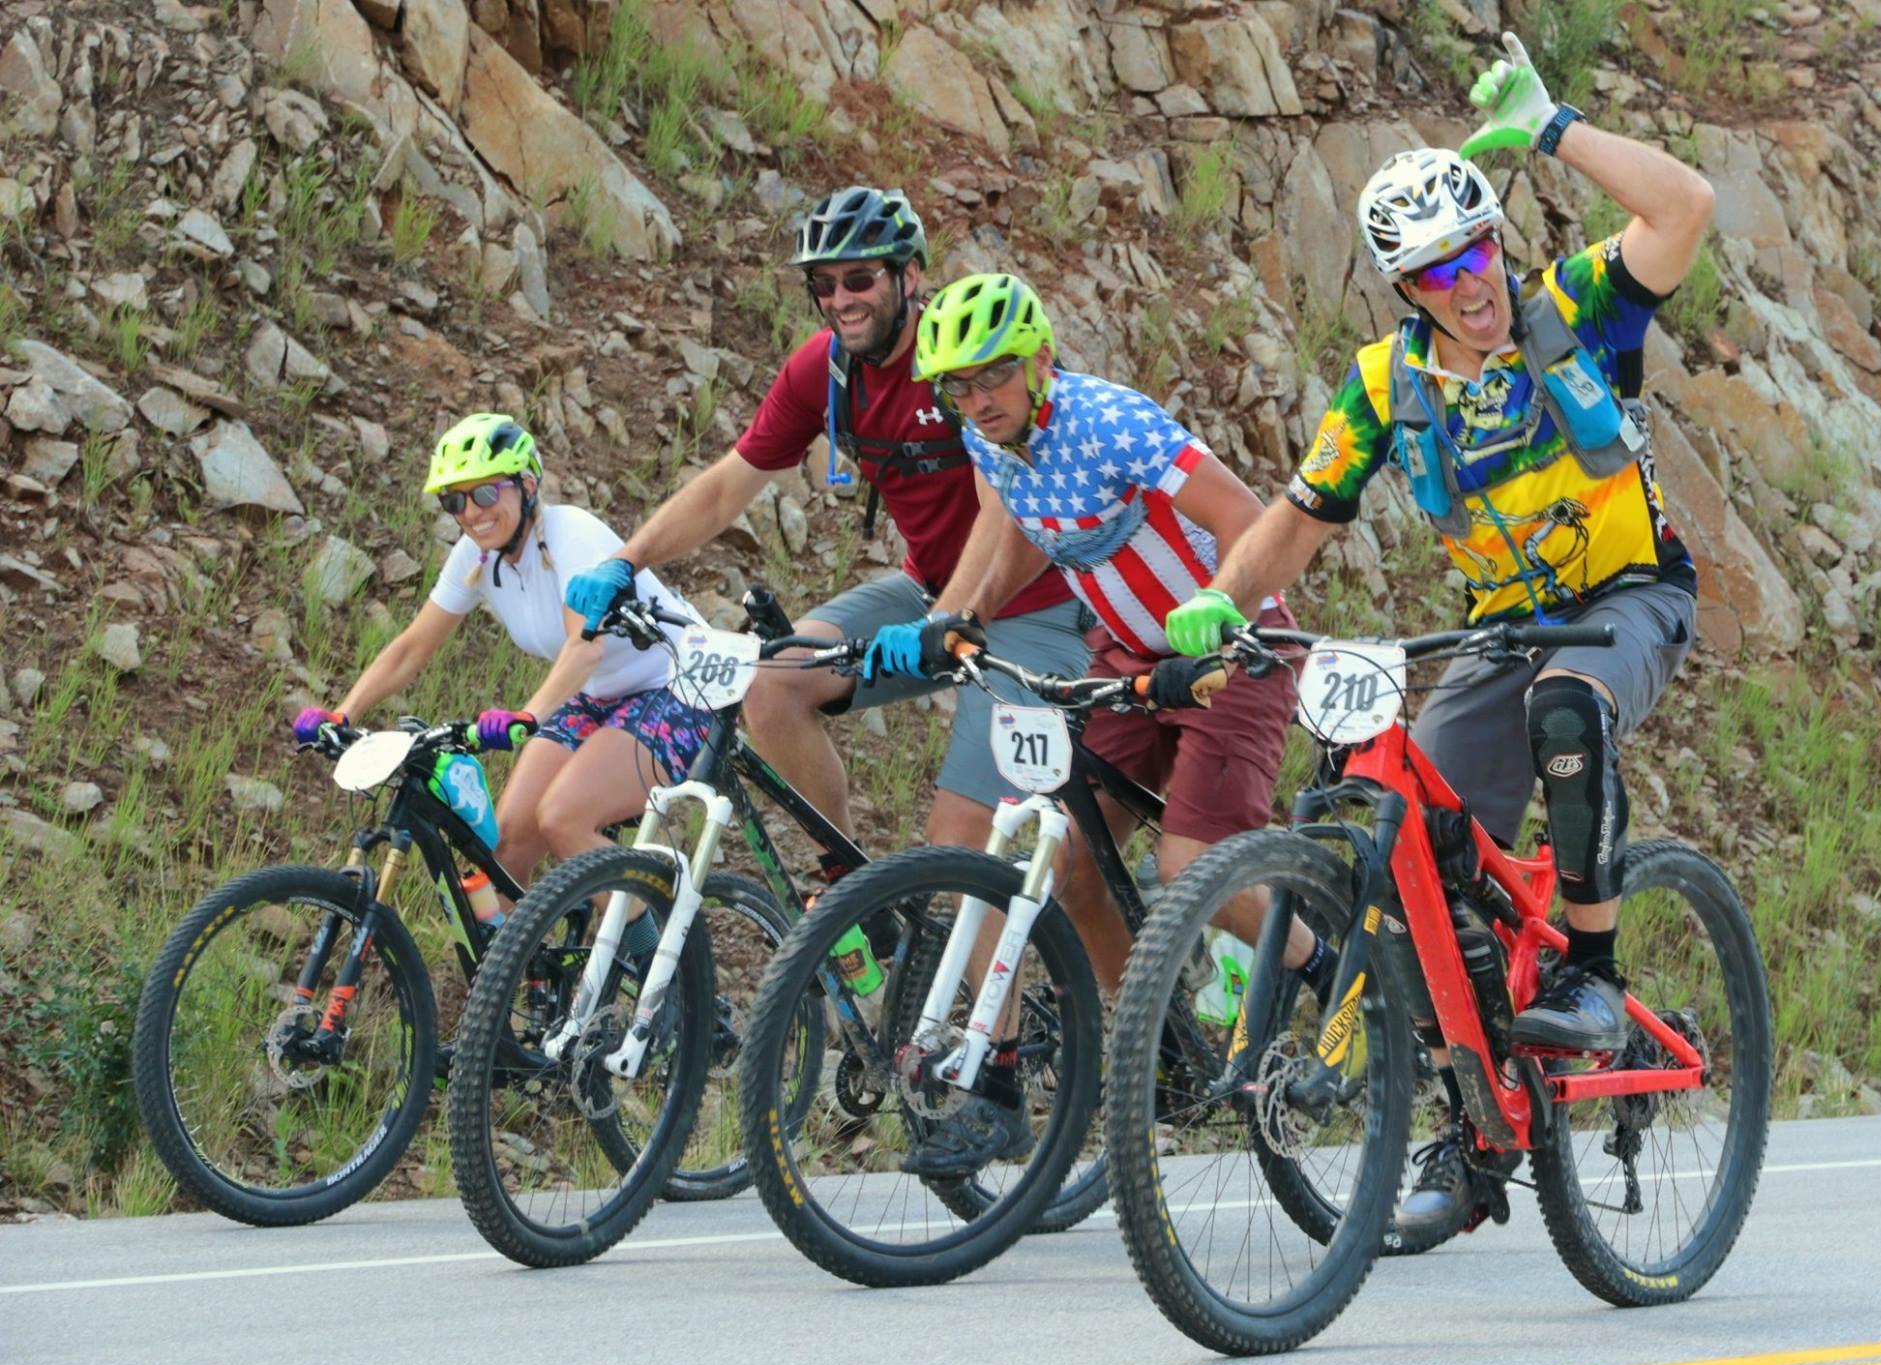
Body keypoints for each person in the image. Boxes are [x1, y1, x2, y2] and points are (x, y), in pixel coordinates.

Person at [1163, 34, 1716, 1234]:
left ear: (1497, 242)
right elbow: (1297, 519)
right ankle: (1473, 1138)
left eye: (1475, 251)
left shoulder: (1574, 306)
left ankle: (1593, 973)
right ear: (1400, 287)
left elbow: (1685, 205)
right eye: (1434, 270)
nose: (1467, 282)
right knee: (1410, 849)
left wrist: (1548, 124)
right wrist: (1221, 596)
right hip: (1497, 628)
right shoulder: (1379, 386)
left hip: (1629, 597)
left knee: (1564, 705)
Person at [905, 270, 1339, 1173]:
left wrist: (1215, 617)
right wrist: (966, 613)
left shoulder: (1109, 421)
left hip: (1234, 649)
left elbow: (1240, 515)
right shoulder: (994, 441)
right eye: (958, 384)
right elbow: (1022, 523)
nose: (977, 398)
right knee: (1058, 860)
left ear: (1039, 361)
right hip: (1129, 662)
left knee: (1188, 867)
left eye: (994, 376)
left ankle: (1324, 966)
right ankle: (1165, 1044)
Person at [563, 186, 1090, 882]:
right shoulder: (827, 371)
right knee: (772, 683)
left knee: (958, 840)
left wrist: (945, 619)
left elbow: (1005, 513)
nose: (841, 299)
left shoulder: (959, 362)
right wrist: (627, 559)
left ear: (910, 277)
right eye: (824, 284)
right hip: (931, 591)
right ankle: (851, 882)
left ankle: (1013, 990)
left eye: (861, 278)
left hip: (1036, 606)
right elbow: (728, 485)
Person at [292, 412, 709, 959]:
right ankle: (504, 1010)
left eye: (485, 492)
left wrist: (529, 716)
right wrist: (343, 712)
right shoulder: (476, 557)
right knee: (505, 849)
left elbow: (585, 646)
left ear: (527, 485)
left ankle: (670, 987)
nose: (471, 513)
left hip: (681, 681)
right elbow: (412, 647)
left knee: (563, 817)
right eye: (454, 501)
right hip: (602, 692)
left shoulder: (572, 535)